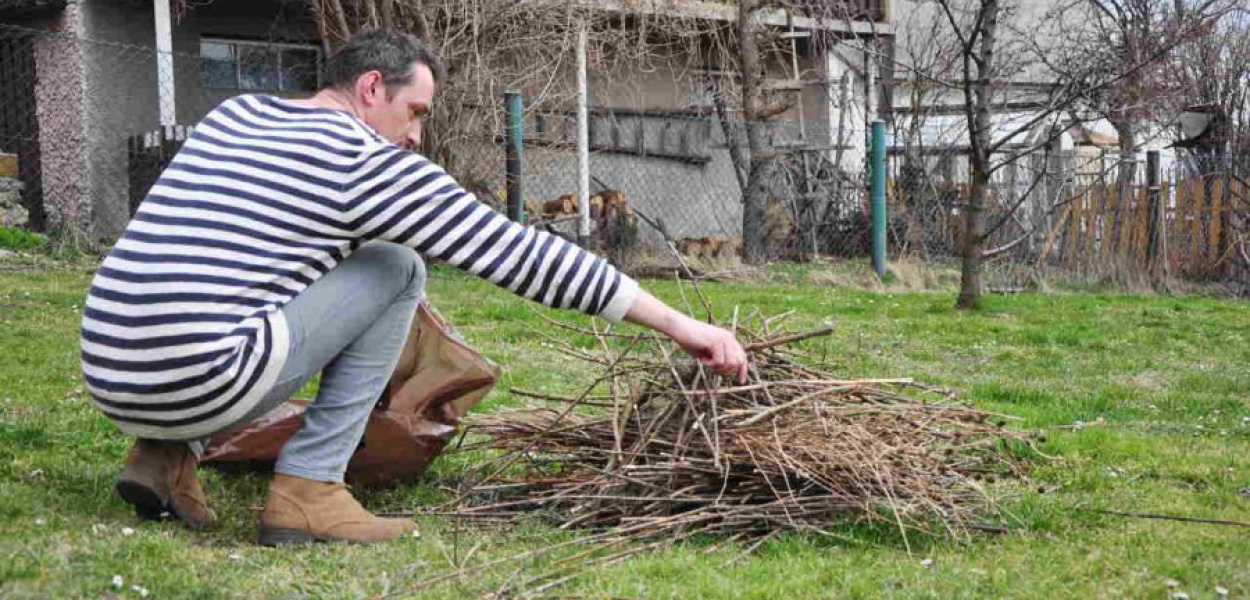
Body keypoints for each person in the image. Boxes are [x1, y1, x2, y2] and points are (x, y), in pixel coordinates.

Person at [81, 28, 748, 547]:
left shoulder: (236, 116)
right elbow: (521, 255)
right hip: (198, 382)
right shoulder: (364, 161)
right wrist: (686, 328)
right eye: (415, 111)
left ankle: (162, 455)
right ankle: (309, 489)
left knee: (251, 286)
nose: (417, 135)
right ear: (372, 87)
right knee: (398, 268)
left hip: (108, 374)